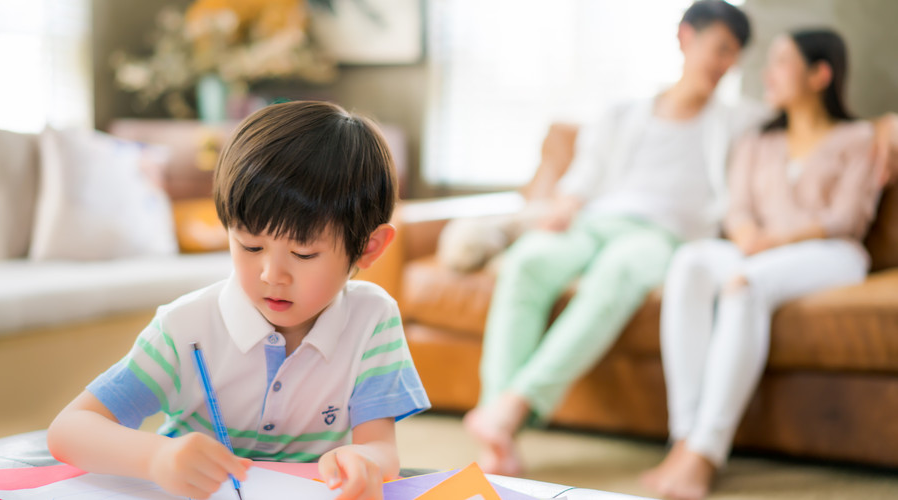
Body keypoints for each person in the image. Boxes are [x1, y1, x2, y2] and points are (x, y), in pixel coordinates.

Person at [46, 101, 431, 500]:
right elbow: (69, 429)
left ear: (368, 248)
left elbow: (382, 449)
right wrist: (157, 458)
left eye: (303, 254)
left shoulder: (373, 318)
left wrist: (364, 461)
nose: (271, 275)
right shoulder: (186, 326)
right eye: (250, 245)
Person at [463, 0, 763, 476]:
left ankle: (513, 406)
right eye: (719, 48)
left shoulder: (739, 121)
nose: (724, 64)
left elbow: (809, 120)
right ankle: (498, 427)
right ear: (686, 37)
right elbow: (584, 178)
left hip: (662, 237)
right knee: (527, 262)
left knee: (617, 275)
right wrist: (563, 208)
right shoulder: (623, 113)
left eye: (734, 55)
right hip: (595, 223)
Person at [641, 29, 882, 500]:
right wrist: (749, 234)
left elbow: (846, 217)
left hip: (832, 252)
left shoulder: (859, 138)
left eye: (781, 62)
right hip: (760, 246)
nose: (765, 74)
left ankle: (707, 452)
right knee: (690, 261)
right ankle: (685, 435)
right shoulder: (757, 140)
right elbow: (738, 208)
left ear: (819, 74)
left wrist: (777, 239)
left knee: (743, 283)